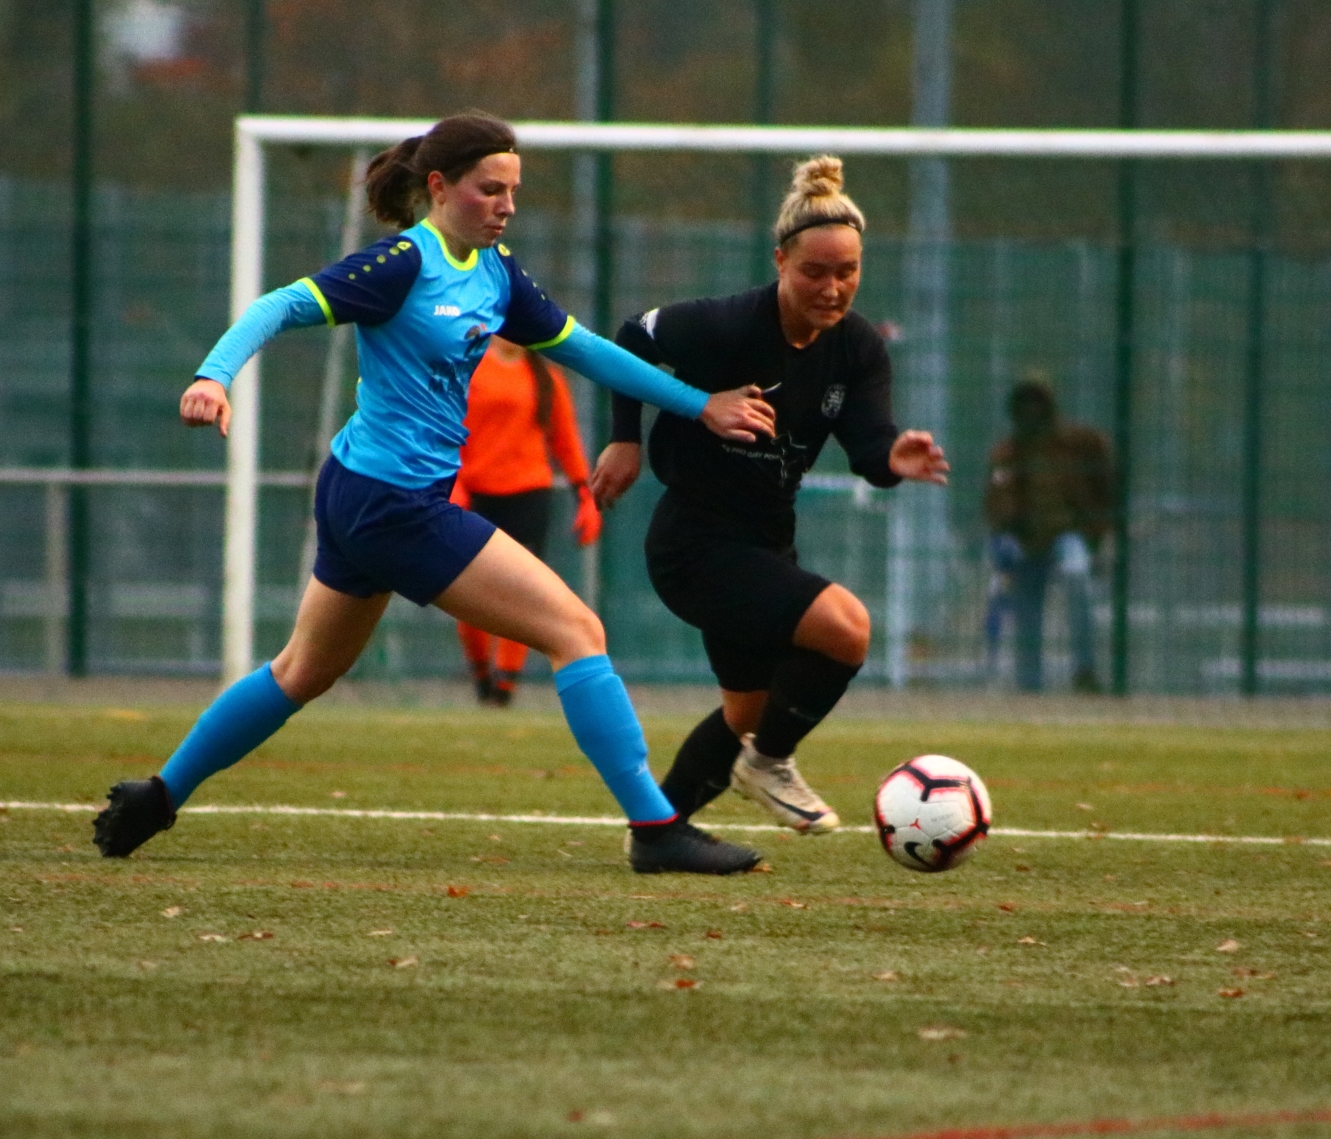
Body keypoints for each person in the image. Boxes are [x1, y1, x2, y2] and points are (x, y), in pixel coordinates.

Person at [92, 110, 777, 876]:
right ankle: (655, 828)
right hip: (391, 504)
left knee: (301, 672)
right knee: (577, 631)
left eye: (513, 191)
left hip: (364, 493)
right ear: (440, 186)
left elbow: (583, 349)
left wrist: (698, 404)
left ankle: (158, 796)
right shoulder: (400, 266)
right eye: (491, 190)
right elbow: (277, 305)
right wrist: (214, 376)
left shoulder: (495, 272)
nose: (506, 206)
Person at [589, 155, 949, 835]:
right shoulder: (727, 324)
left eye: (847, 272)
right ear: (780, 261)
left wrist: (893, 458)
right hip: (694, 544)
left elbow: (869, 451)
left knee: (747, 713)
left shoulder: (858, 349)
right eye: (815, 271)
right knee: (846, 628)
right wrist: (625, 439)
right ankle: (769, 764)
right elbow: (632, 335)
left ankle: (658, 836)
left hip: (765, 540)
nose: (832, 288)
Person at [450, 336, 600, 707]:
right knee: (468, 593)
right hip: (476, 494)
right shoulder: (469, 371)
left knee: (521, 594)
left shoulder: (546, 377)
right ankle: (482, 674)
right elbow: (447, 431)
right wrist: (452, 483)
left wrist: (585, 495)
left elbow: (565, 439)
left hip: (528, 495)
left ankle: (504, 688)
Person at [983, 377, 1113, 693]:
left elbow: (1105, 487)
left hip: (1068, 535)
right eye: (1024, 406)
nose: (1031, 412)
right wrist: (1007, 532)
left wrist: (1099, 533)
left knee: (1076, 573)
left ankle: (1084, 670)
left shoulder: (1077, 445)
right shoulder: (1007, 454)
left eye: (1037, 404)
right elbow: (996, 498)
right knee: (1027, 607)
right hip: (1026, 539)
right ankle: (1029, 684)